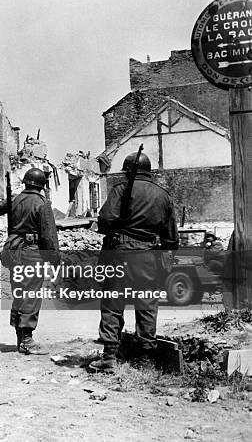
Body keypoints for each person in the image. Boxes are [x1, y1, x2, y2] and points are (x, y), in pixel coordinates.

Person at [89, 151, 178, 372]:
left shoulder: (121, 189)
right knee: (146, 304)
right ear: (149, 171)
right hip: (148, 255)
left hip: (119, 253)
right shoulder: (163, 195)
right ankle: (146, 359)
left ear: (128, 170)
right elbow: (171, 238)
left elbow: (106, 220)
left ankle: (109, 358)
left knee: (112, 304)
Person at [0, 168, 59, 355]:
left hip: (12, 250)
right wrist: (54, 260)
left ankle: (21, 338)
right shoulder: (42, 203)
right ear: (42, 185)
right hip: (31, 253)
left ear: (26, 182)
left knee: (19, 292)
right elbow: (49, 236)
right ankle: (26, 340)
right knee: (31, 294)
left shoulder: (15, 199)